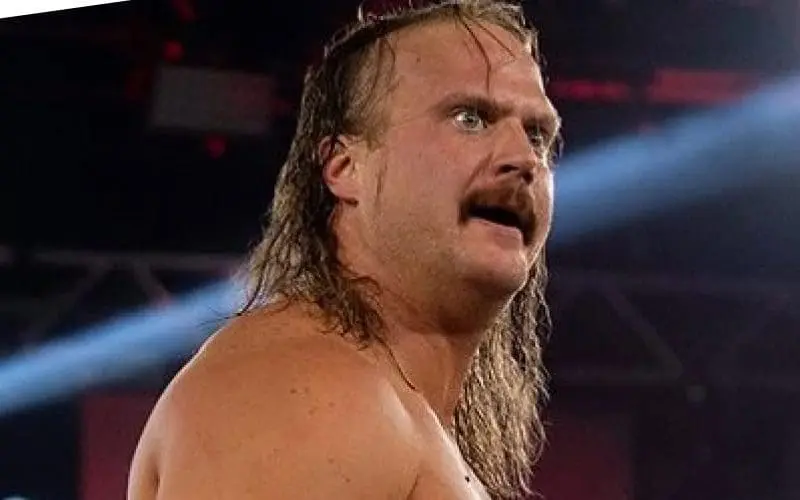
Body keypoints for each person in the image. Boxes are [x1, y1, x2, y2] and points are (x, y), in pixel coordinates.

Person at [127, 1, 561, 498]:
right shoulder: (308, 388)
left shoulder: (379, 397)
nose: (524, 159)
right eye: (470, 118)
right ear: (344, 167)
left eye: (537, 135)